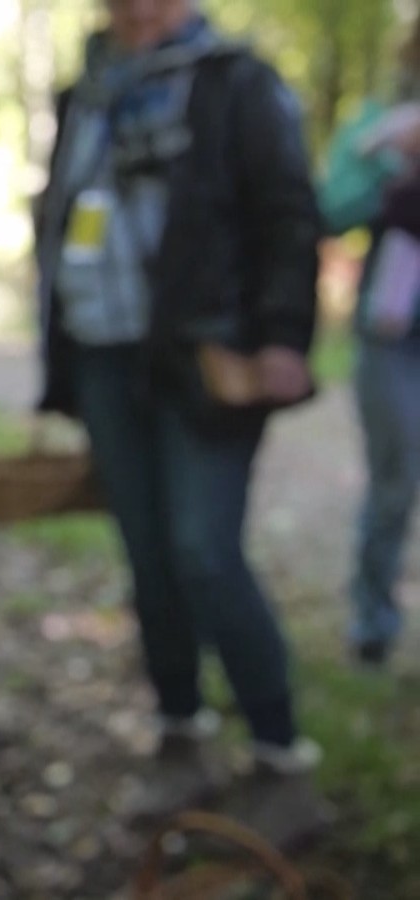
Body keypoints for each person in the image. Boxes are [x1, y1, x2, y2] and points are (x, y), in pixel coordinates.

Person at [34, 0, 330, 849]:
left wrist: (282, 333)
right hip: (104, 356)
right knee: (148, 552)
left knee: (204, 549)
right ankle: (181, 738)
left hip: (206, 357)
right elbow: (60, 224)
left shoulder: (234, 81)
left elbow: (286, 210)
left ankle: (282, 763)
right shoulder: (83, 95)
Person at [321, 19, 420, 669]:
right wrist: (388, 156)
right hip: (393, 329)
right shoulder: (379, 121)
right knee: (396, 475)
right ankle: (372, 623)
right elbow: (330, 209)